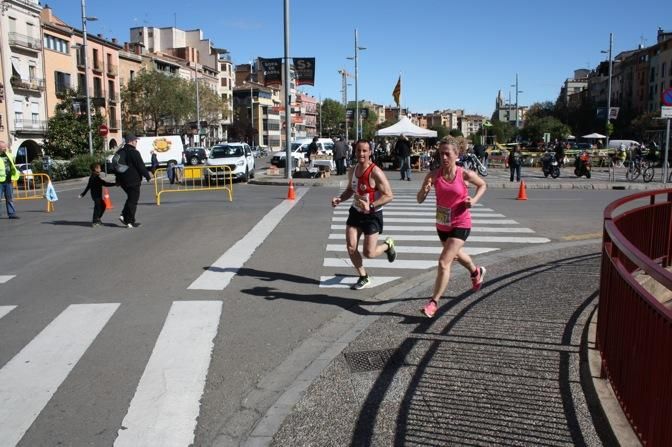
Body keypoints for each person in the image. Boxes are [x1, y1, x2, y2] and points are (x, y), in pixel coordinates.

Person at [417, 138, 487, 318]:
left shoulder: (464, 174)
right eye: (441, 153)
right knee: (455, 255)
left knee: (443, 262)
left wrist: (474, 200)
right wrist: (424, 190)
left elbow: (482, 185)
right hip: (442, 224)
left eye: (448, 153)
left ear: (457, 155)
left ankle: (433, 302)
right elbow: (419, 199)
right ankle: (476, 271)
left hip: (461, 223)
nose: (444, 157)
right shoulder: (433, 175)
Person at [331, 140, 397, 290]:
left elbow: (389, 195)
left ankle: (388, 246)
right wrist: (340, 199)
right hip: (355, 212)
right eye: (359, 150)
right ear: (355, 152)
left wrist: (371, 205)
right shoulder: (352, 170)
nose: (361, 154)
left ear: (370, 152)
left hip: (372, 216)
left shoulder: (376, 172)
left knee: (369, 253)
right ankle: (363, 276)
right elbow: (350, 190)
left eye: (364, 151)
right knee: (351, 247)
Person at [116, 134, 151, 228]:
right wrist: (147, 176)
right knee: (133, 201)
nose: (136, 143)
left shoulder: (120, 151)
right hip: (133, 180)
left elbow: (116, 166)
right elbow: (140, 166)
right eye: (136, 141)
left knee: (130, 198)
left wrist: (118, 180)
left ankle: (124, 216)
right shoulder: (134, 152)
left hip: (123, 181)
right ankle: (130, 221)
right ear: (131, 141)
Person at [79, 163, 117, 227]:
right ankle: (95, 221)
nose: (100, 169)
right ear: (95, 169)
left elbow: (89, 186)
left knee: (103, 206)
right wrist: (115, 184)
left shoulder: (95, 176)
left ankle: (97, 219)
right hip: (96, 195)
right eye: (99, 168)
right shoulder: (94, 177)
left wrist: (83, 193)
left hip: (97, 195)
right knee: (97, 208)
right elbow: (104, 183)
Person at [0, 141, 20, 219]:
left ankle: (11, 214)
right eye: (3, 147)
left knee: (10, 198)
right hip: (0, 181)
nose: (5, 148)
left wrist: (13, 177)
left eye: (5, 147)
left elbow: (12, 167)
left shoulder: (9, 155)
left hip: (8, 180)